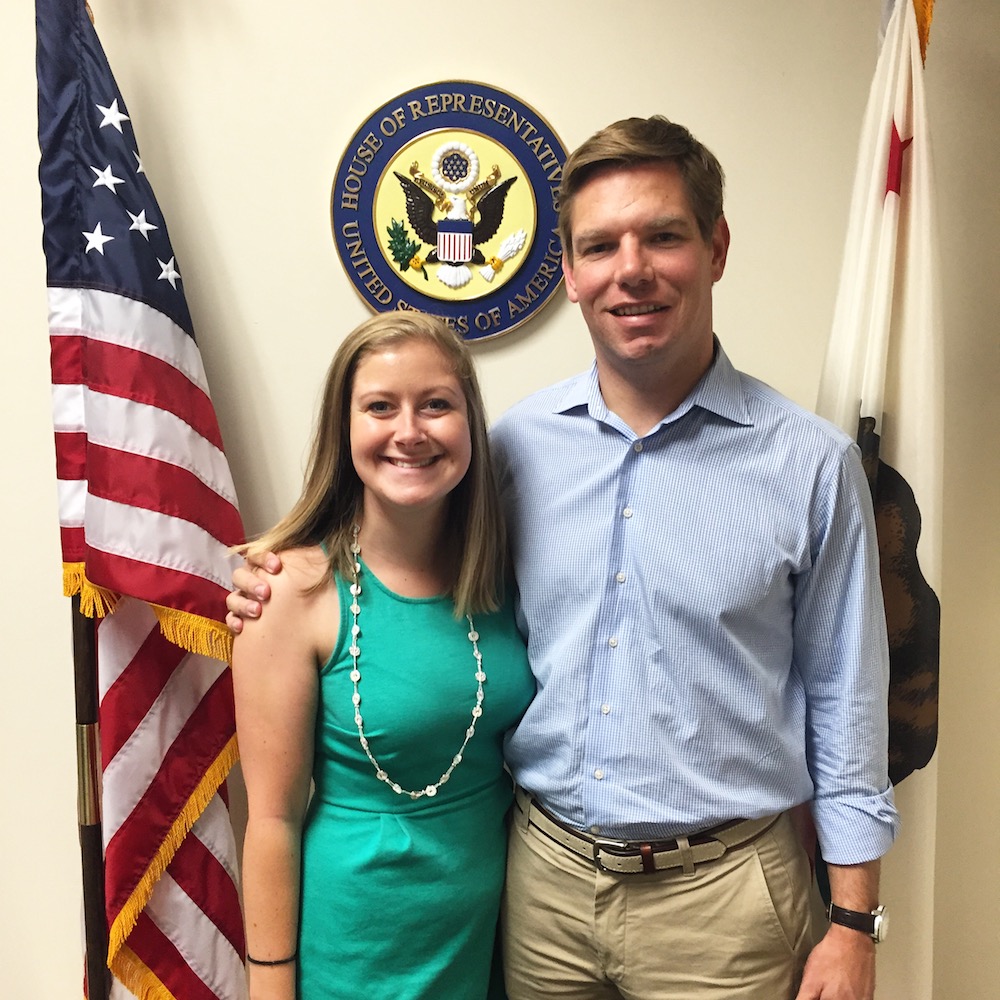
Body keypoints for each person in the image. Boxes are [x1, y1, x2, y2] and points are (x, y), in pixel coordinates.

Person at [228, 117, 898, 1000]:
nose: (633, 269)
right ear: (571, 274)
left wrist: (853, 926)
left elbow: (849, 707)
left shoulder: (809, 465)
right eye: (600, 245)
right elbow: (398, 535)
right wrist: (274, 575)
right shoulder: (509, 453)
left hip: (726, 902)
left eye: (663, 235)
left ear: (716, 247)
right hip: (538, 887)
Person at [231, 311, 534, 1000]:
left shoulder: (504, 571)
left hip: (487, 946)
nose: (410, 431)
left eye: (436, 404)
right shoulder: (291, 592)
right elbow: (272, 821)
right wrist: (268, 986)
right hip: (354, 953)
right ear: (346, 430)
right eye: (379, 406)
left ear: (468, 422)